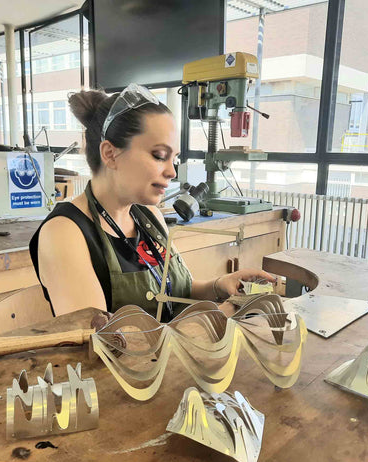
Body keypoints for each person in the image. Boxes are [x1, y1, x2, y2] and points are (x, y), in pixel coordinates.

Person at [29, 83, 275, 321]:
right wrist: (217, 318)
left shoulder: (148, 216)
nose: (172, 172)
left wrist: (220, 286)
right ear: (110, 154)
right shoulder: (64, 233)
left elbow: (174, 293)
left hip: (176, 360)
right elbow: (101, 342)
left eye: (174, 159)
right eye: (159, 156)